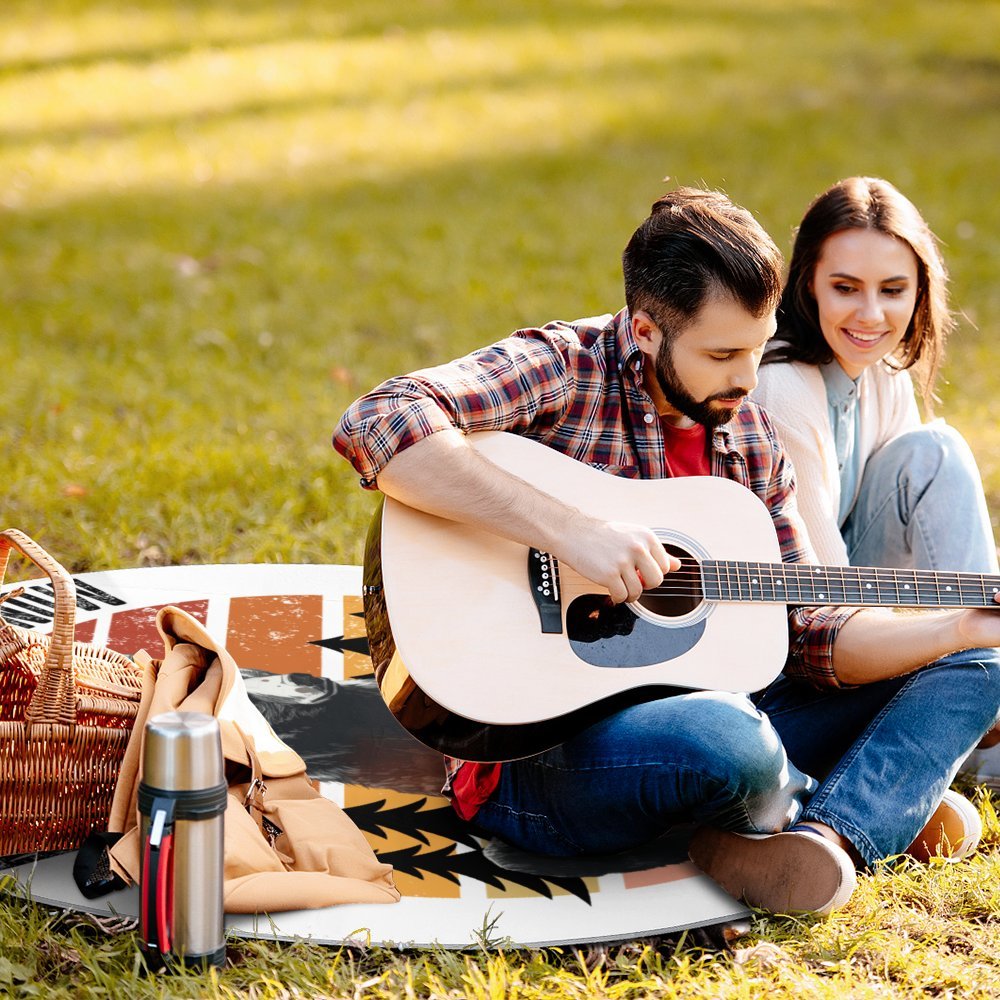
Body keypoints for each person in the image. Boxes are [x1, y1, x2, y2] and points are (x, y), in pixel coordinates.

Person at [333, 187, 1000, 916]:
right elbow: (380, 419)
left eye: (757, 346)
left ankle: (829, 837)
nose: (748, 380)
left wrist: (957, 628)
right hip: (537, 756)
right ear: (646, 330)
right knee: (729, 742)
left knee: (980, 665)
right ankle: (860, 796)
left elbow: (810, 629)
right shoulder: (564, 367)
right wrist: (569, 531)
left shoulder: (748, 436)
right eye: (722, 354)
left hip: (727, 710)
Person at [753, 176, 1000, 788]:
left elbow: (919, 546)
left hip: (861, 614)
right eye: (845, 288)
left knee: (931, 451)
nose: (871, 315)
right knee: (937, 451)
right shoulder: (783, 386)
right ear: (807, 281)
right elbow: (824, 603)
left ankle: (979, 695)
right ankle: (978, 727)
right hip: (795, 648)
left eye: (893, 290)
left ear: (920, 291)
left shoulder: (882, 370)